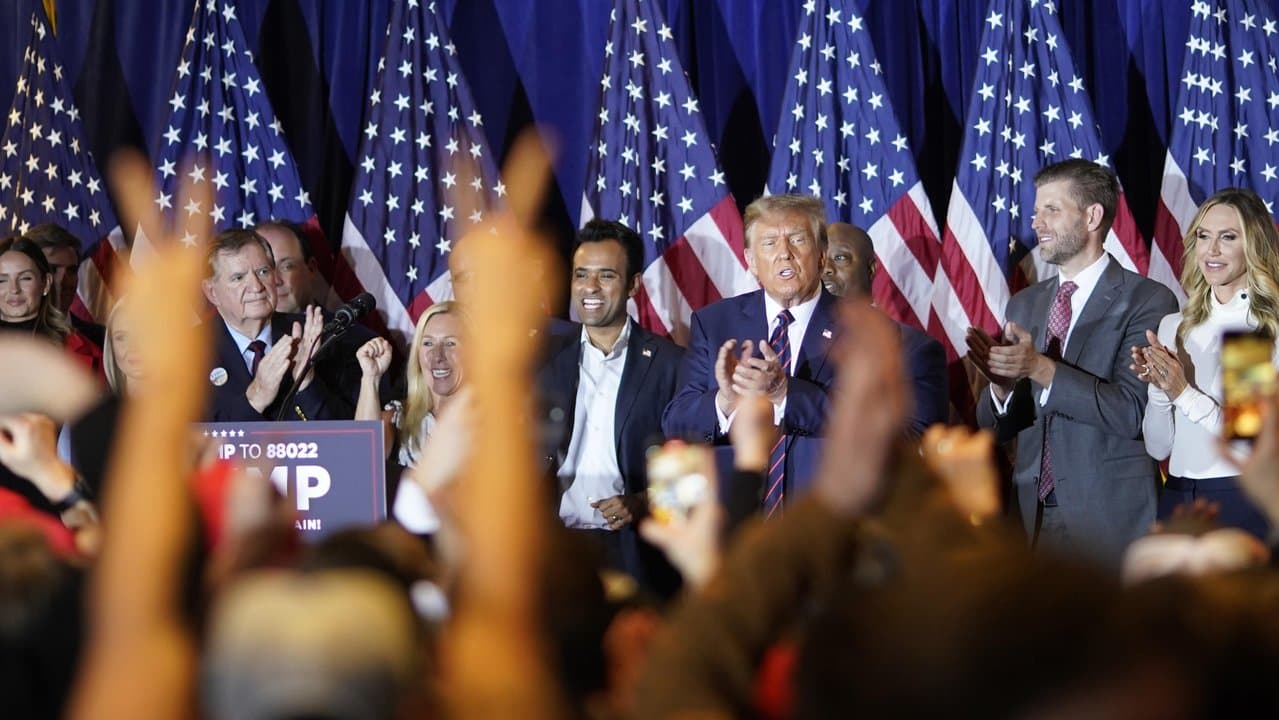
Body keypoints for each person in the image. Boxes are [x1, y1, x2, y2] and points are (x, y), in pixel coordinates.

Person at [967, 159, 1179, 566]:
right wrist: (1002, 388)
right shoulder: (1025, 303)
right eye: (1035, 211)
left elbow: (1131, 414)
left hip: (1109, 520)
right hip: (1032, 518)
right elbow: (992, 428)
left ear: (1093, 215)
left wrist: (1038, 368)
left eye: (1052, 209)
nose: (1037, 223)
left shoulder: (1147, 300)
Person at [663, 194, 841, 521]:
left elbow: (874, 424)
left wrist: (784, 392)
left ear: (821, 254)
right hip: (733, 524)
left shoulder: (862, 327)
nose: (784, 253)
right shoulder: (714, 323)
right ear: (751, 260)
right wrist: (726, 400)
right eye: (769, 243)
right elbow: (676, 422)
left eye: (798, 240)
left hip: (826, 523)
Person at [540, 219, 684, 594]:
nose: (590, 287)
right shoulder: (540, 359)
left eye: (606, 276)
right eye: (581, 274)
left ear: (634, 284)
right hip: (554, 548)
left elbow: (689, 475)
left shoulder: (671, 364)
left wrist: (640, 502)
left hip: (636, 553)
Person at [1135, 188, 1279, 538]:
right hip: (1178, 496)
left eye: (1227, 237)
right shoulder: (1175, 326)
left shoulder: (1255, 326)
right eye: (1203, 236)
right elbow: (1158, 447)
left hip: (1239, 498)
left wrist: (1182, 391)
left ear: (1253, 245)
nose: (1211, 250)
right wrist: (1159, 390)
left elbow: (1243, 442)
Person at [201, 228, 347, 422]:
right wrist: (254, 399)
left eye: (263, 272)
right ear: (212, 292)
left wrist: (307, 383)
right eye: (238, 278)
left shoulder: (315, 338)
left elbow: (346, 437)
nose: (257, 286)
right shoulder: (184, 355)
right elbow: (183, 444)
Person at [823, 221, 948, 436]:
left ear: (871, 268)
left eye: (840, 258)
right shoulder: (791, 338)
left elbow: (918, 439)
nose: (826, 269)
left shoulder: (916, 349)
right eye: (821, 259)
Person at [356, 301, 467, 531]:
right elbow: (361, 462)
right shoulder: (398, 416)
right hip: (407, 550)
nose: (438, 356)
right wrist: (370, 378)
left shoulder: (495, 422)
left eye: (450, 343)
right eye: (428, 344)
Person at [0, 236, 102, 376]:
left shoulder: (86, 350)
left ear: (46, 283)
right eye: (2, 280)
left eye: (25, 278)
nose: (14, 289)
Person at [25, 223, 107, 348]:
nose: (63, 281)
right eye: (53, 269)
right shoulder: (7, 338)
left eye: (71, 271)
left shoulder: (102, 340)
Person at [254, 220, 320, 315]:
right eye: (263, 271)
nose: (275, 281)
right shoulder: (230, 328)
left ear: (311, 268)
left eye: (287, 267)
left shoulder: (343, 328)